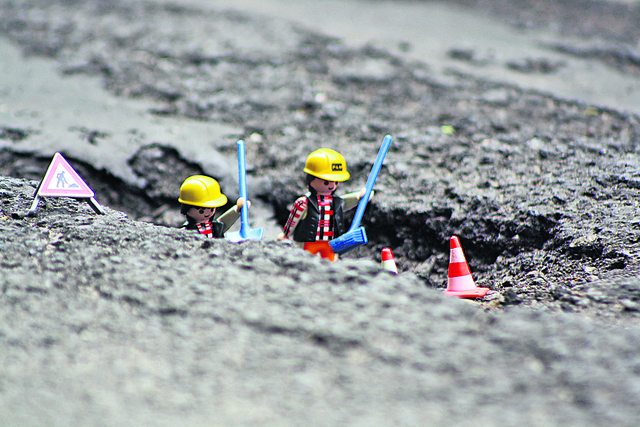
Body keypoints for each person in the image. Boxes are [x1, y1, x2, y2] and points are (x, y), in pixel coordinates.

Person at [277, 149, 368, 261]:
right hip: (309, 241)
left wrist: (359, 197)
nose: (332, 186)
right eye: (326, 182)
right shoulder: (304, 202)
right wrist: (286, 233)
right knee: (305, 260)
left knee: (331, 260)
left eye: (335, 182)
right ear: (311, 179)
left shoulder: (335, 202)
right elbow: (293, 219)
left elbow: (345, 203)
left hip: (330, 241)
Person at [178, 175, 247, 238]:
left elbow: (224, 223)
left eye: (211, 209)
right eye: (201, 211)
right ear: (186, 208)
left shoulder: (214, 226)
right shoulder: (187, 230)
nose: (208, 212)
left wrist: (237, 210)